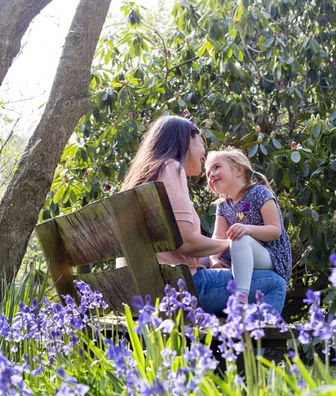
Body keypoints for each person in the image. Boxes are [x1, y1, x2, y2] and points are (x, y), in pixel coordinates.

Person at [119, 115, 286, 315]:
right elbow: (186, 242)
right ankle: (249, 343)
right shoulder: (171, 167)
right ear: (188, 139)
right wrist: (231, 244)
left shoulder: (147, 175)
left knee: (227, 268)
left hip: (140, 286)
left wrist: (216, 256)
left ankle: (231, 335)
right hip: (174, 286)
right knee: (275, 282)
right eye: (201, 145)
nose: (203, 157)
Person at [204, 147, 292, 304]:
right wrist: (213, 259)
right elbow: (217, 237)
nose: (211, 175)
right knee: (200, 257)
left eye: (217, 167)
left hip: (271, 257)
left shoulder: (259, 192)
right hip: (240, 253)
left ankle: (241, 298)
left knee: (240, 238)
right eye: (208, 173)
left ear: (238, 170)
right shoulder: (223, 205)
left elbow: (275, 230)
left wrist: (248, 229)